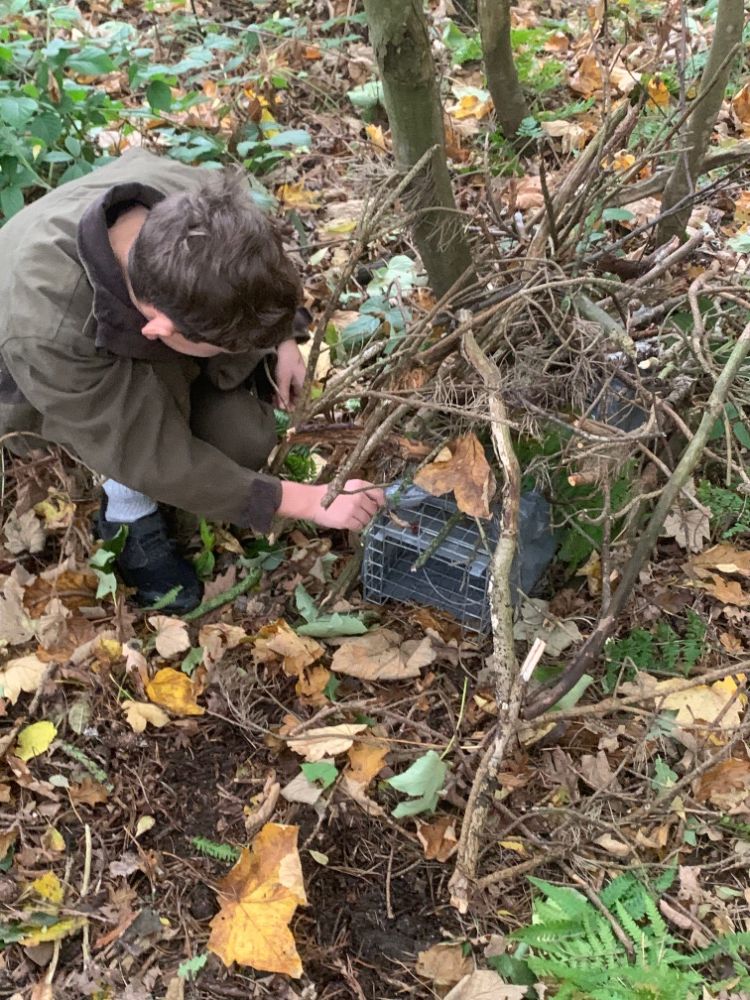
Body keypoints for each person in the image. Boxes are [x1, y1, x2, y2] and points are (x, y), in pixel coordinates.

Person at [0, 149, 384, 611]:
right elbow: (145, 452)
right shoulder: (48, 329)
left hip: (132, 326)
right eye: (225, 344)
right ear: (159, 330)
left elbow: (262, 265)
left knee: (244, 438)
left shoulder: (203, 205)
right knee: (139, 449)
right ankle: (126, 511)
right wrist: (308, 501)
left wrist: (284, 338)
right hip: (30, 383)